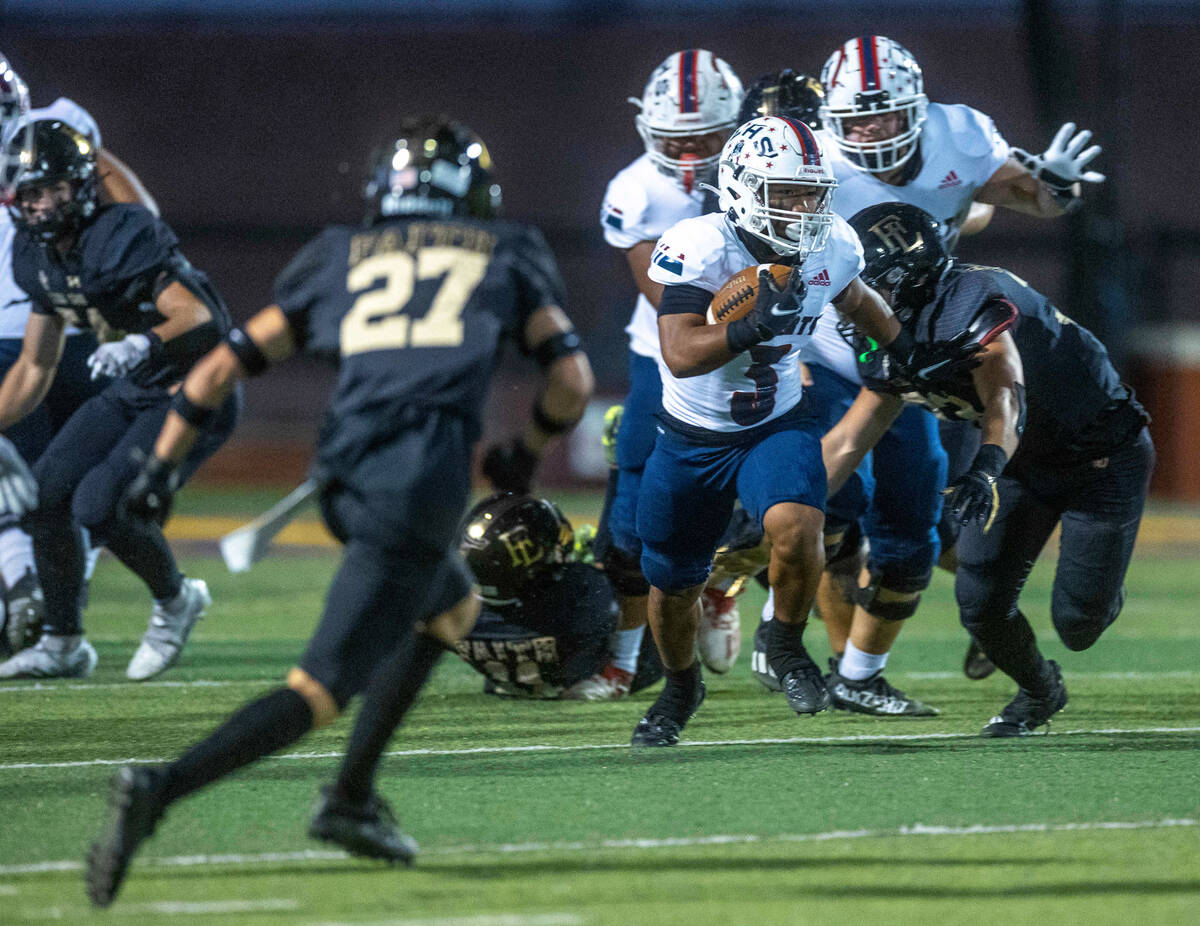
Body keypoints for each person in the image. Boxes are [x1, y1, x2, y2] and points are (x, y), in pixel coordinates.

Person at [84, 116, 592, 907]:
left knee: (451, 605)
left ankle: (351, 798)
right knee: (316, 691)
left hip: (344, 481)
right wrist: (525, 450)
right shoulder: (508, 251)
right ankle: (160, 788)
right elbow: (572, 382)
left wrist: (157, 467)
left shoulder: (335, 255)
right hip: (414, 489)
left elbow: (220, 363)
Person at [750, 37, 1106, 712]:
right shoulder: (813, 161)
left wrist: (1057, 187)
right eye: (856, 119)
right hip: (821, 348)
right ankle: (777, 631)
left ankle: (857, 675)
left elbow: (1034, 198)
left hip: (907, 349)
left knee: (913, 521)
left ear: (918, 107)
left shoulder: (961, 135)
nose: (872, 132)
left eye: (885, 116)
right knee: (811, 508)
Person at [629, 114, 934, 747]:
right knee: (671, 582)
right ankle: (680, 687)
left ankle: (786, 646)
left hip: (777, 420)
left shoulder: (833, 245)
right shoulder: (701, 245)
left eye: (811, 192)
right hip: (692, 431)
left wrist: (905, 352)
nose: (802, 208)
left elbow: (861, 303)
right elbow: (681, 352)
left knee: (799, 525)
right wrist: (750, 326)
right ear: (741, 188)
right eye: (786, 193)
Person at [824, 203, 1151, 736]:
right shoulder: (891, 331)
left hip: (1098, 456)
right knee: (979, 605)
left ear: (907, 278)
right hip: (1020, 462)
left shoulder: (972, 300)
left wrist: (986, 466)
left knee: (1078, 624)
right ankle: (1041, 691)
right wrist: (780, 512)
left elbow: (1006, 393)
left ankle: (1103, 585)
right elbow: (846, 443)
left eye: (865, 283)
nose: (851, 297)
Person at [0, 117, 238, 681]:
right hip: (136, 388)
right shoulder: (36, 256)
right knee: (42, 494)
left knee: (100, 505)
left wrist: (141, 342)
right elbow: (36, 365)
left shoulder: (121, 231)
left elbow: (201, 316)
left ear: (82, 186)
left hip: (194, 388)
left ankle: (178, 601)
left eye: (53, 188)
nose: (40, 204)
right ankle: (63, 641)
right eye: (29, 192)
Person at [574, 50, 746, 702]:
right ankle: (621, 664)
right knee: (626, 531)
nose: (693, 152)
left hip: (759, 362)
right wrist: (752, 296)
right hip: (666, 359)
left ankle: (722, 587)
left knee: (774, 496)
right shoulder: (636, 191)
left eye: (707, 137)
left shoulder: (765, 172)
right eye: (678, 139)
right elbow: (669, 300)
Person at [0, 57, 158, 659]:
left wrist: (129, 268)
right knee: (57, 494)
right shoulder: (51, 126)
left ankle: (35, 599)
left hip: (57, 331)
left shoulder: (54, 129)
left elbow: (135, 207)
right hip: (49, 327)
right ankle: (44, 602)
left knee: (58, 493)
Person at [457, 491, 663, 698]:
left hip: (511, 682)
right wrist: (601, 564)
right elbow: (628, 588)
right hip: (587, 680)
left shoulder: (460, 617)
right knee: (649, 579)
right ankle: (621, 671)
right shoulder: (583, 589)